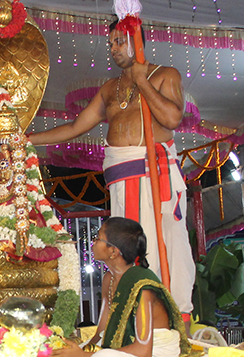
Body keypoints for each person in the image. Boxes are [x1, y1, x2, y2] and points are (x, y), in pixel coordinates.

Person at [28, 20, 195, 318]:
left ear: (138, 42)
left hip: (154, 177)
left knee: (166, 245)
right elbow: (75, 127)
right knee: (126, 248)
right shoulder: (109, 89)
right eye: (111, 44)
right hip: (120, 180)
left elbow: (172, 119)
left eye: (120, 41)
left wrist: (142, 81)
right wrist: (27, 140)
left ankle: (173, 317)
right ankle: (136, 315)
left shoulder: (164, 75)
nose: (114, 49)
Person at [52, 217, 191, 357]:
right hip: (124, 349)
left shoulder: (142, 288)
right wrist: (82, 350)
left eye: (98, 238)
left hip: (155, 351)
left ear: (113, 251)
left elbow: (143, 351)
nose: (93, 242)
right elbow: (102, 332)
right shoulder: (109, 279)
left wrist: (83, 356)